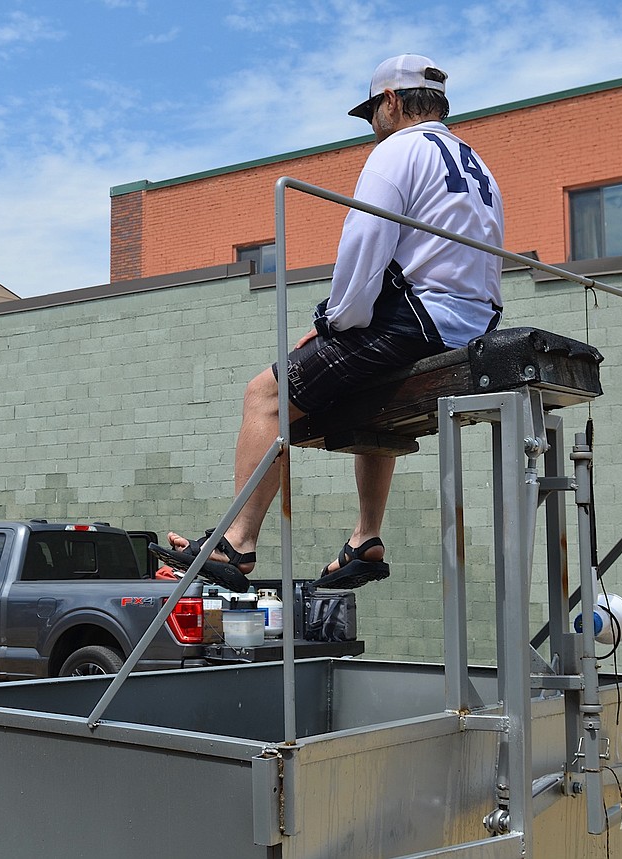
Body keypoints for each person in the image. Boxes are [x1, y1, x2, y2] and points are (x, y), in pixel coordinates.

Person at [156, 54, 504, 593]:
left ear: (391, 102)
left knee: (265, 394)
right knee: (371, 394)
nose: (371, 126)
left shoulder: (398, 150)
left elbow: (364, 248)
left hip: (417, 320)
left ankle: (236, 543)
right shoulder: (476, 163)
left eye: (371, 113)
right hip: (473, 322)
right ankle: (366, 538)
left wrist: (333, 321)